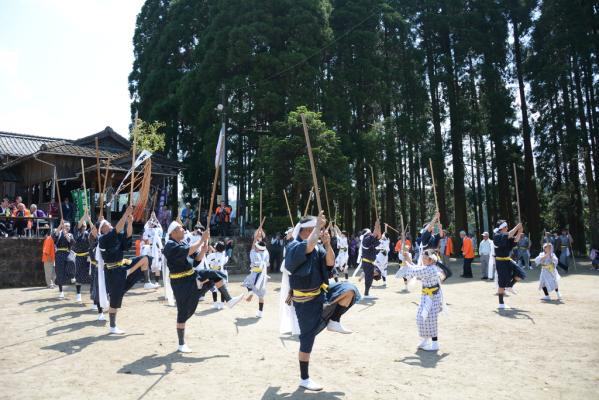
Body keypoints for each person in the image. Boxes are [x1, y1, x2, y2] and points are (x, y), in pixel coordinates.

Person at [284, 212, 361, 391]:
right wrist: (318, 226)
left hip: (321, 294)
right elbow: (308, 246)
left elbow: (330, 263)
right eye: (314, 229)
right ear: (306, 230)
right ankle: (304, 378)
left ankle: (334, 320)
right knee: (307, 340)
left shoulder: (318, 247)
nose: (318, 232)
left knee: (350, 289)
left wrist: (327, 244)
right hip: (304, 302)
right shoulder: (294, 245)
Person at [163, 220, 243, 352]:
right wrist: (201, 241)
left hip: (191, 275)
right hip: (180, 282)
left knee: (214, 274)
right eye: (181, 228)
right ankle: (181, 344)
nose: (184, 229)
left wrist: (203, 250)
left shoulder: (182, 242)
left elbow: (196, 261)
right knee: (183, 312)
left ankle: (228, 300)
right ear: (174, 232)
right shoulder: (170, 245)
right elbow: (187, 251)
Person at [96, 206, 151, 334]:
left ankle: (146, 281)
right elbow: (118, 229)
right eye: (106, 224)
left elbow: (127, 236)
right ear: (102, 230)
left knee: (145, 259)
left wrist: (130, 223)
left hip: (122, 265)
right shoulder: (103, 239)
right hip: (113, 271)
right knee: (115, 300)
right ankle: (112, 326)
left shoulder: (115, 235)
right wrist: (126, 215)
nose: (109, 224)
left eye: (109, 223)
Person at [396, 249, 451, 351]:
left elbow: (415, 270)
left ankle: (435, 344)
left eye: (426, 258)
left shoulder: (430, 269)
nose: (423, 259)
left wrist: (407, 262)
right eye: (423, 257)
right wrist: (408, 260)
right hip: (426, 296)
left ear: (431, 260)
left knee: (431, 320)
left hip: (433, 297)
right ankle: (425, 340)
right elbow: (417, 268)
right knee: (420, 318)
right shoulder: (428, 267)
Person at [493, 220, 526, 309]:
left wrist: (519, 232)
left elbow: (515, 240)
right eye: (506, 227)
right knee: (502, 283)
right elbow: (509, 234)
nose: (507, 228)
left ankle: (510, 286)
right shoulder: (497, 236)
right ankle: (501, 303)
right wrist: (517, 227)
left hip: (508, 260)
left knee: (520, 274)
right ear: (502, 228)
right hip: (500, 261)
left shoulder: (506, 236)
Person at [243, 227, 270, 317]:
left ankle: (250, 292)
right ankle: (260, 312)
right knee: (261, 295)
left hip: (256, 273)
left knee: (247, 282)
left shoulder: (254, 252)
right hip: (263, 275)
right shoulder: (266, 252)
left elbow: (254, 244)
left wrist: (258, 234)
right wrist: (259, 233)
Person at [72, 210, 93, 302]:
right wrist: (84, 216)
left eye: (85, 225)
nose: (84, 226)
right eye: (82, 225)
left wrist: (89, 219)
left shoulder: (88, 233)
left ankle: (93, 294)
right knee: (78, 276)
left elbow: (94, 230)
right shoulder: (77, 233)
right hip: (79, 257)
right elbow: (79, 224)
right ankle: (78, 294)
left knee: (92, 275)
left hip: (88, 257)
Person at [204, 240, 230, 309]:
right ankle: (221, 304)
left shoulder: (210, 256)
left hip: (213, 274)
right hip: (222, 273)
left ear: (215, 248)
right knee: (222, 289)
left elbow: (208, 261)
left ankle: (215, 303)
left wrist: (210, 250)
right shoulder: (224, 256)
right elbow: (222, 254)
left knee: (214, 289)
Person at [359, 221, 381, 299]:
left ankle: (365, 274)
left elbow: (378, 236)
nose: (371, 233)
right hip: (367, 262)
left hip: (370, 263)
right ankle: (366, 294)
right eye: (370, 232)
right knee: (369, 278)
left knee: (378, 273)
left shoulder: (369, 239)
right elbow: (374, 235)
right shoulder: (366, 240)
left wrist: (378, 227)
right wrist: (376, 225)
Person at [52, 220, 75, 299]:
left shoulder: (70, 234)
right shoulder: (58, 232)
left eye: (69, 226)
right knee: (59, 273)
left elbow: (72, 243)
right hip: (58, 254)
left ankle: (72, 276)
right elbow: (54, 237)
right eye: (66, 226)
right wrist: (60, 226)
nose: (68, 227)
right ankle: (61, 292)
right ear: (62, 226)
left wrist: (67, 236)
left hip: (67, 252)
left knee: (71, 261)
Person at [142, 214, 163, 289]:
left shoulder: (158, 230)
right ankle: (148, 281)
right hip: (149, 249)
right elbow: (145, 227)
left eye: (152, 223)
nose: (150, 223)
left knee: (157, 266)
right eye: (150, 222)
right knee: (147, 264)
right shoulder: (147, 230)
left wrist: (155, 218)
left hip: (157, 250)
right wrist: (151, 217)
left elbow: (160, 226)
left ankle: (157, 282)